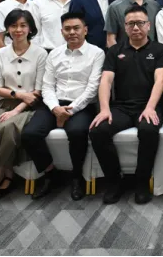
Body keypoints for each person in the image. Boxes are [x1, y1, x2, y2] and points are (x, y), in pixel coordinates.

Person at [21, 13, 105, 201]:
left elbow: (92, 88)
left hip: (82, 106)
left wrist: (71, 110)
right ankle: (51, 174)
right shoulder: (54, 54)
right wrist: (55, 108)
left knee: (77, 132)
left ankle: (77, 177)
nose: (72, 32)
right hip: (54, 104)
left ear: (85, 30)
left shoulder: (97, 53)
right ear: (61, 32)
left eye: (76, 28)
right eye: (67, 29)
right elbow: (47, 86)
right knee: (29, 134)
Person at [89, 6, 163, 205]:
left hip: (150, 105)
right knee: (98, 130)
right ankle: (115, 181)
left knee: (148, 130)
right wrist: (104, 109)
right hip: (122, 107)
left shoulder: (159, 50)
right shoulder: (115, 51)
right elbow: (106, 80)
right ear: (124, 27)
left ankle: (142, 183)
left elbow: (160, 80)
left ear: (148, 25)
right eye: (131, 24)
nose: (136, 27)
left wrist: (150, 108)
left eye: (140, 23)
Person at [0, 10, 47, 201]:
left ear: (30, 28)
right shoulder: (0, 54)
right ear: (7, 28)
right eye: (13, 26)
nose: (18, 30)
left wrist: (17, 109)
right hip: (4, 101)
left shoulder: (40, 53)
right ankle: (8, 173)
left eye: (23, 25)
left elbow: (38, 90)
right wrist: (17, 95)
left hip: (30, 105)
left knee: (8, 128)